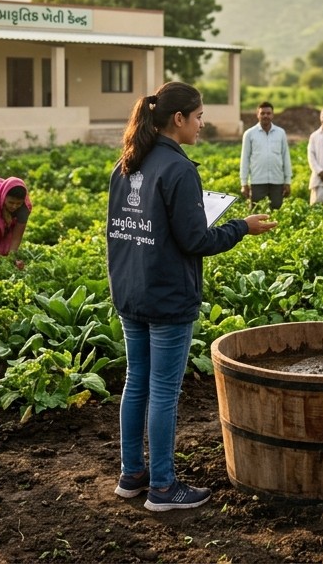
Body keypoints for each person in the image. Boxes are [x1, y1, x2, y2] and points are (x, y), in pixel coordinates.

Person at [108, 81, 276, 511]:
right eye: (199, 117)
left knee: (136, 383)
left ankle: (132, 475)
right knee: (163, 391)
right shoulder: (179, 170)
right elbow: (195, 239)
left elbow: (124, 233)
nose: (202, 125)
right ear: (178, 119)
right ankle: (163, 487)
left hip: (131, 290)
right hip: (166, 296)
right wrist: (241, 227)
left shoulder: (127, 164)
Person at [239, 101, 292, 209]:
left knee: (277, 211)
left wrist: (287, 181)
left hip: (277, 181)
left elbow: (286, 157)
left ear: (272, 115)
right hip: (257, 181)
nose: (265, 116)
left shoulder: (280, 133)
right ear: (257, 114)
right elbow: (245, 159)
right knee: (257, 212)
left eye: (268, 113)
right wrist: (244, 183)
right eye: (262, 113)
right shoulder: (249, 134)